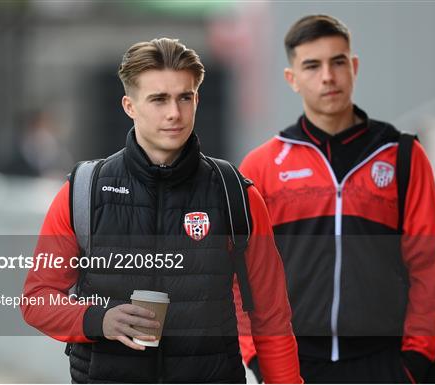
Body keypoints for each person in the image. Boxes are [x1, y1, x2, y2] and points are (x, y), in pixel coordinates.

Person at [21, 37, 302, 383]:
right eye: (158, 99)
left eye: (185, 97)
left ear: (197, 99)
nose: (174, 113)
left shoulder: (236, 195)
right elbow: (37, 299)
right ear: (130, 105)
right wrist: (98, 320)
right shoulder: (82, 192)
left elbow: (272, 318)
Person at [238, 15, 435, 383]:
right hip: (293, 364)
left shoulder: (403, 156)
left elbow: (427, 266)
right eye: (312, 66)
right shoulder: (262, 165)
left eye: (337, 62)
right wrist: (256, 356)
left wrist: (416, 359)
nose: (328, 77)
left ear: (354, 67)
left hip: (385, 362)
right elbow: (241, 275)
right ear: (292, 79)